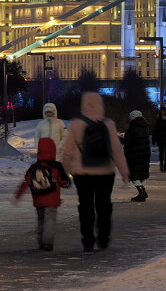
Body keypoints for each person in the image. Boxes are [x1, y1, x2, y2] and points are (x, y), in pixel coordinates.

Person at [60, 91, 130, 252]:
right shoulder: (108, 124)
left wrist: (64, 171)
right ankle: (103, 239)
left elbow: (68, 151)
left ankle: (88, 240)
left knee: (85, 206)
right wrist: (124, 172)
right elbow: (117, 150)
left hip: (82, 174)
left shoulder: (77, 124)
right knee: (104, 205)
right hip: (105, 172)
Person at [12, 137, 71, 251]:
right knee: (50, 221)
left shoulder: (34, 167)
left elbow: (26, 182)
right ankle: (48, 243)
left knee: (41, 220)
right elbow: (64, 182)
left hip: (38, 200)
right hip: (52, 200)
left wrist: (17, 196)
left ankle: (40, 242)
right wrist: (66, 182)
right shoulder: (56, 166)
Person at [123, 109, 152, 202]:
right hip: (144, 154)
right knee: (142, 174)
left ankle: (142, 192)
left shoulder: (132, 129)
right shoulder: (144, 128)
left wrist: (117, 138)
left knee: (133, 175)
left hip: (134, 155)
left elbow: (127, 142)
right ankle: (142, 193)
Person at [154, 105, 166, 173]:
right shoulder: (158, 119)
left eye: (164, 110)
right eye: (162, 110)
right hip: (161, 138)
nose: (163, 112)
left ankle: (165, 166)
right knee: (161, 153)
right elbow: (156, 129)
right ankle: (161, 166)